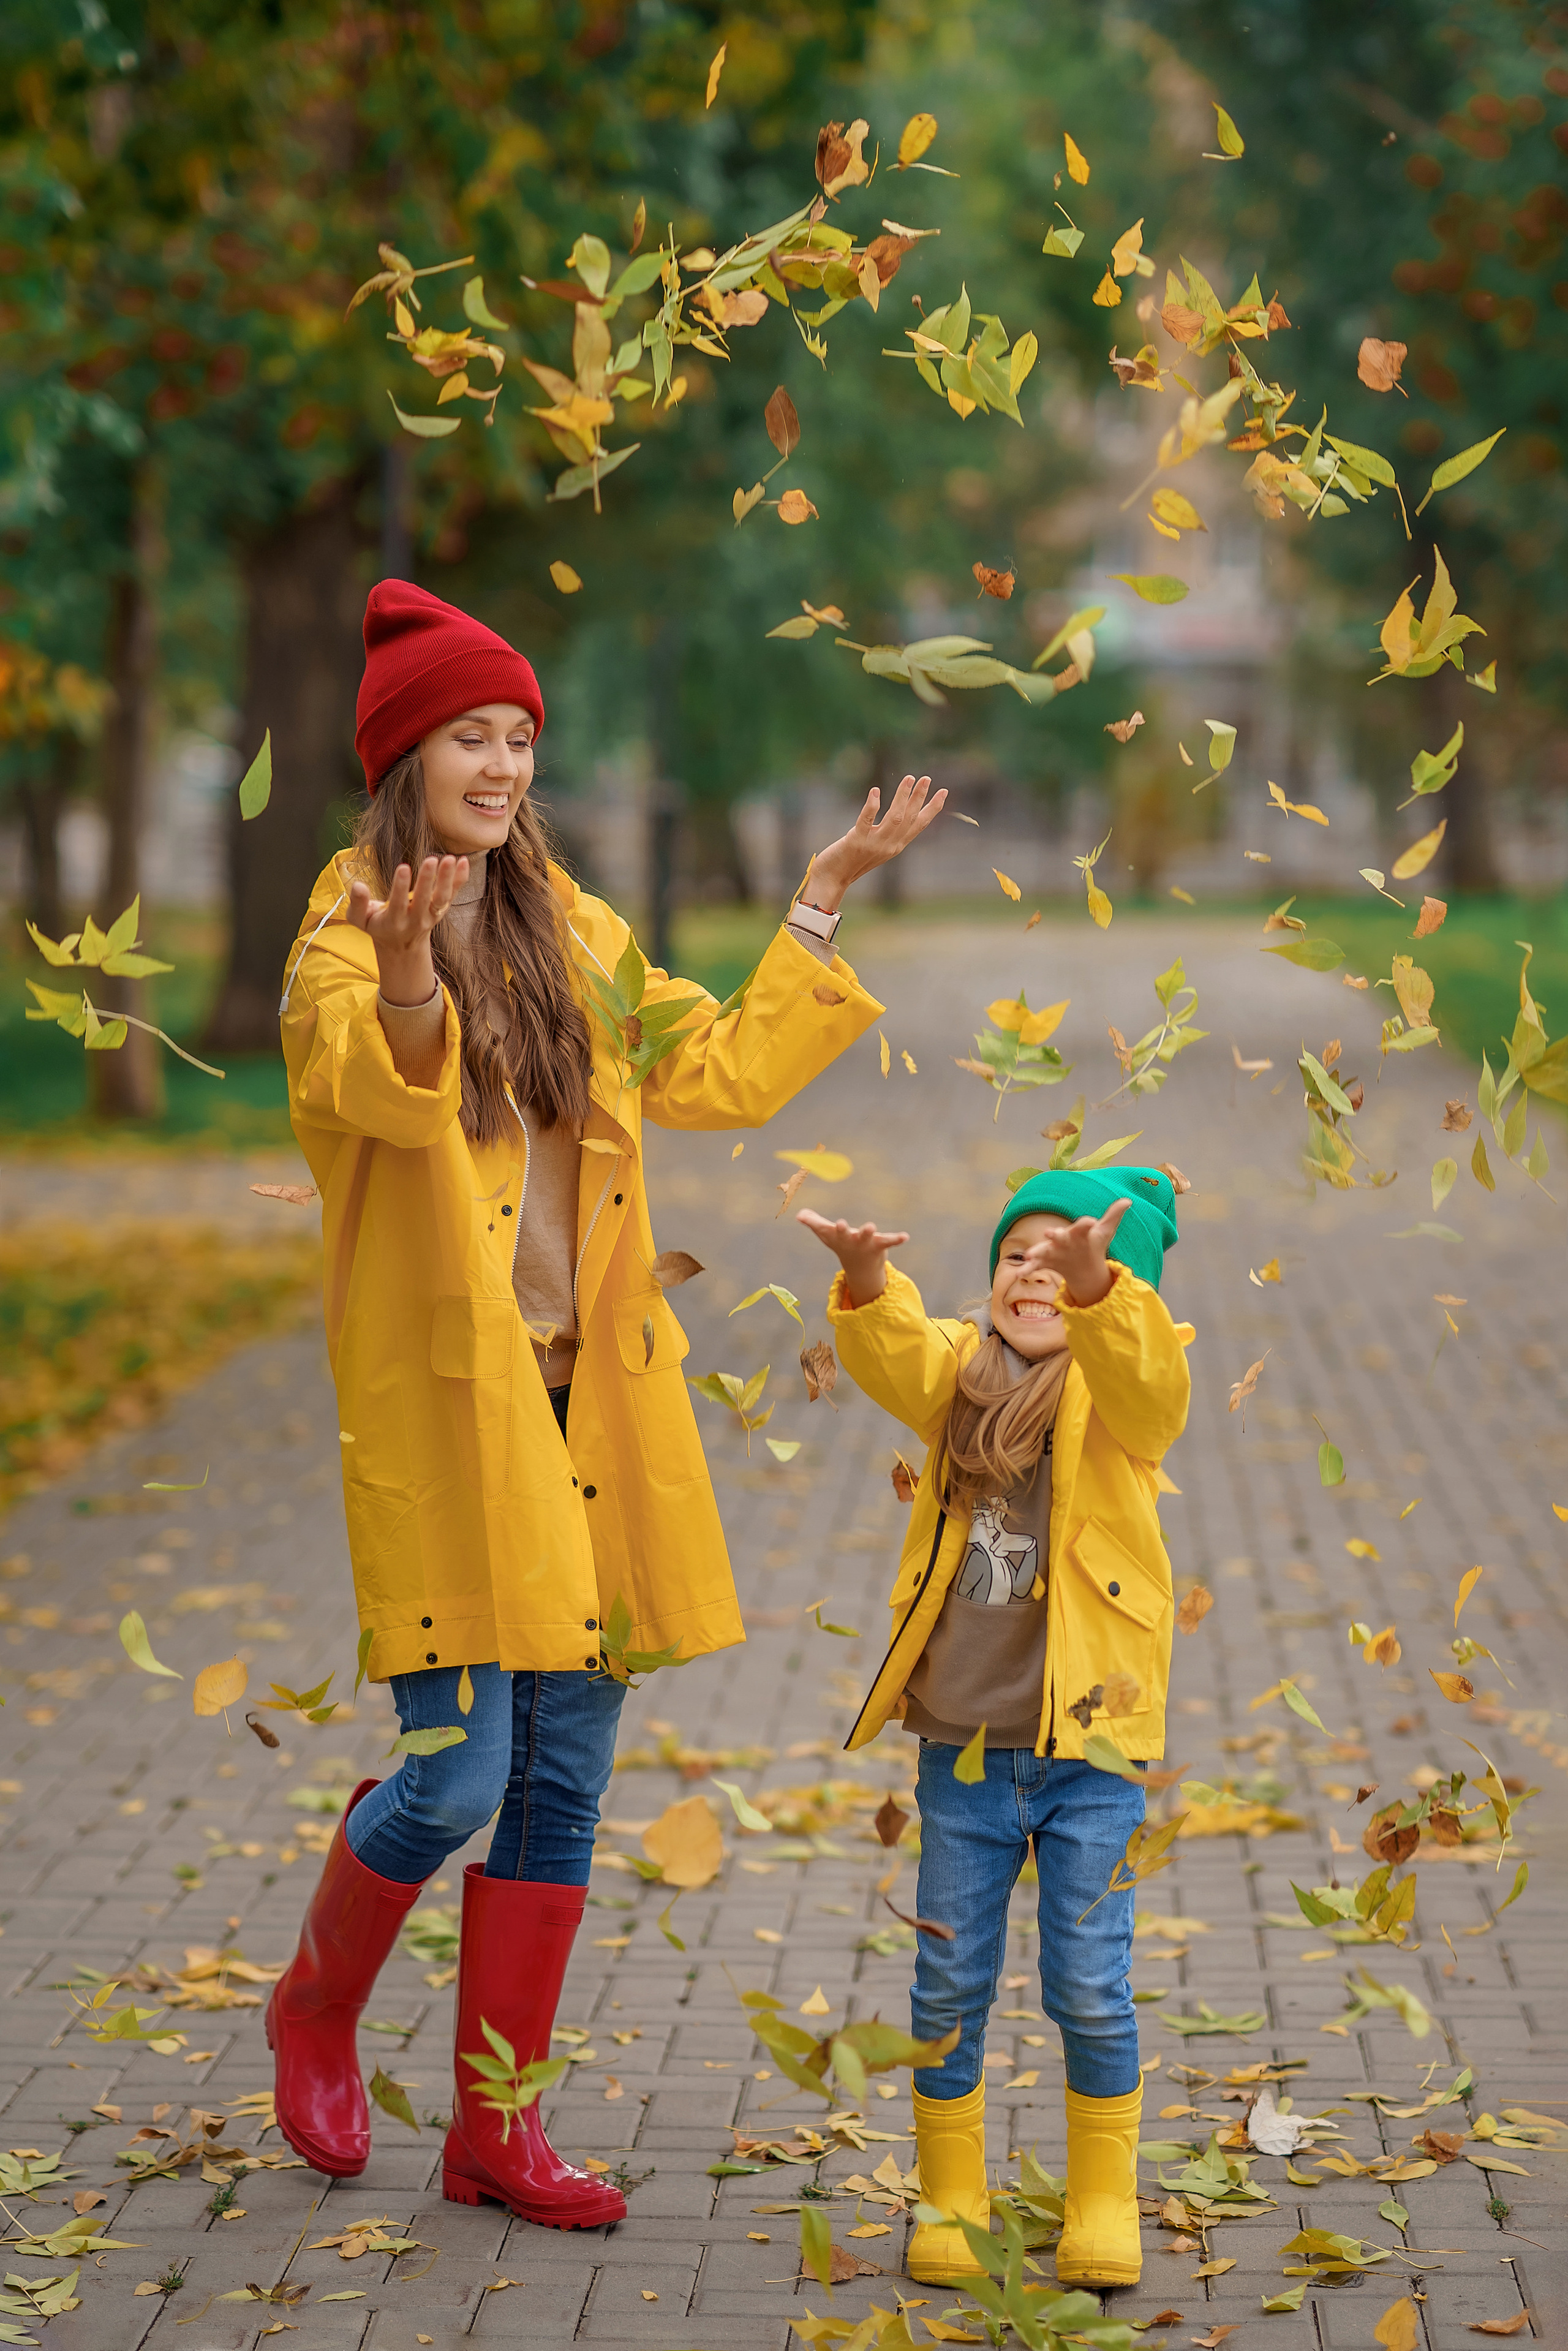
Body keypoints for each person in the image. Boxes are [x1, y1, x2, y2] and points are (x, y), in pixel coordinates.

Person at [268, 579, 945, 2228]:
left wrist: (817, 909)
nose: (500, 766)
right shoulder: (347, 918)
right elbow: (368, 1085)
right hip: (450, 1414)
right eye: (469, 737)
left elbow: (702, 1065)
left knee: (562, 1779)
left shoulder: (569, 921)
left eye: (519, 739)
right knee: (453, 1776)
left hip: (594, 1415)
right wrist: (414, 969)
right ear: (403, 754)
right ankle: (315, 2000)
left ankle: (497, 2127)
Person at [799, 1169, 1191, 2290]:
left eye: (1062, 1258)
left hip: (1094, 1755)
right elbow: (894, 1352)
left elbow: (1147, 1374)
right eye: (1017, 1253)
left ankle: (1103, 2199)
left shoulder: (1124, 1402)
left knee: (1086, 1982)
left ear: (1115, 1287)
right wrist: (867, 1277)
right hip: (963, 1751)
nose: (1035, 1271)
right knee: (947, 1984)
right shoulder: (962, 1385)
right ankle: (951, 2196)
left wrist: (1102, 1291)